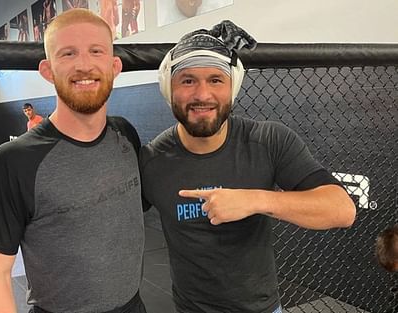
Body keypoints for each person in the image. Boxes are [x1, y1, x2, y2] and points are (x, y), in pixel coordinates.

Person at [139, 20, 357, 313]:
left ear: (233, 87)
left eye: (216, 80)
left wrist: (255, 199)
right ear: (169, 88)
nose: (202, 95)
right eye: (188, 80)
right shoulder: (152, 160)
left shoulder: (268, 140)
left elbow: (342, 209)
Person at [0, 8, 146, 313]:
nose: (84, 64)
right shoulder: (12, 162)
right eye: (68, 54)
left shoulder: (126, 135)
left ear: (114, 65)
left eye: (96, 51)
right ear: (48, 70)